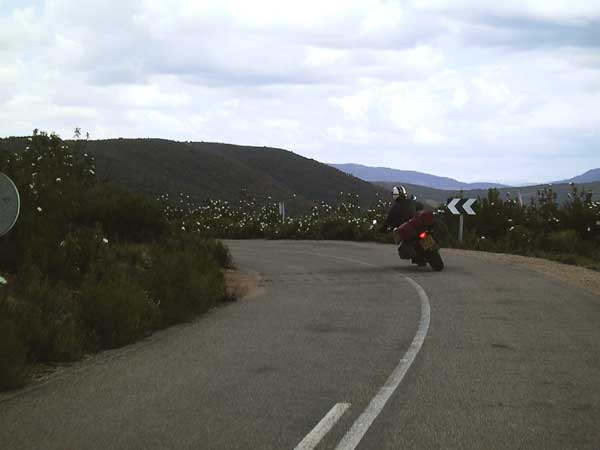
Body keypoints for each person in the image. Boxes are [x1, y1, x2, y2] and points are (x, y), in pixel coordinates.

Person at [379, 185, 426, 264]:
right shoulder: (412, 202)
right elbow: (421, 206)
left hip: (407, 231)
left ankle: (417, 257)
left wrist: (382, 229)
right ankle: (419, 257)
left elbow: (388, 222)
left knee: (405, 243)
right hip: (417, 226)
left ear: (395, 196)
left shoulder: (394, 209)